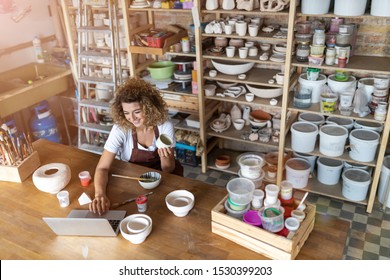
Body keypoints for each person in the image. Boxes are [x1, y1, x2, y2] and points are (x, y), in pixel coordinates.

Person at [89, 78, 183, 215]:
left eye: (137, 111)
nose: (132, 118)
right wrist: (99, 195)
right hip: (134, 180)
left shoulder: (164, 126)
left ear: (149, 108)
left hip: (164, 178)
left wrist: (166, 156)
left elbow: (167, 169)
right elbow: (102, 168)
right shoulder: (121, 129)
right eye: (126, 113)